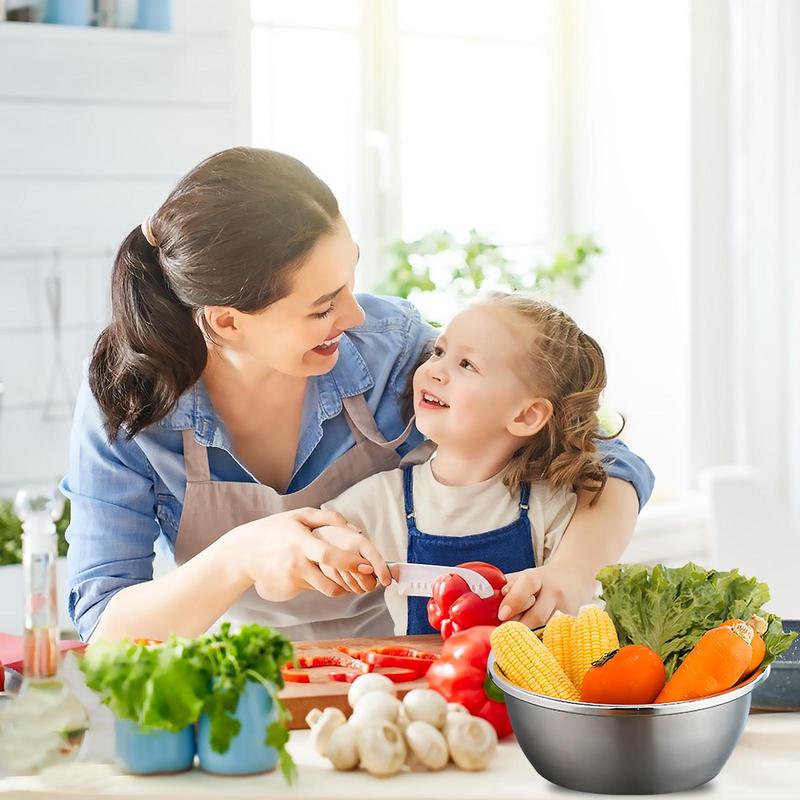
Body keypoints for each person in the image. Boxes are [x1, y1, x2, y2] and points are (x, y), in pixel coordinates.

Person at [62, 147, 654, 643]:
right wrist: (239, 555)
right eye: (321, 306)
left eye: (349, 282)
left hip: (394, 673)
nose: (352, 315)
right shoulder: (129, 406)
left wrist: (573, 573)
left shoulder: (388, 353)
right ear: (226, 323)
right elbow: (103, 627)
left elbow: (601, 456)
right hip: (240, 683)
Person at [319, 292, 626, 634]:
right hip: (421, 686)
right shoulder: (383, 499)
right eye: (439, 352)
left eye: (467, 364)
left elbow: (582, 610)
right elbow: (315, 539)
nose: (434, 370)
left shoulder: (552, 506)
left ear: (525, 415)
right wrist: (334, 551)